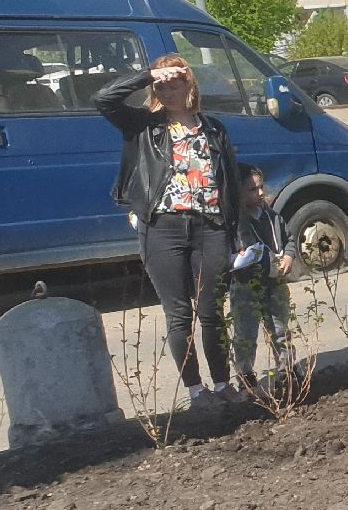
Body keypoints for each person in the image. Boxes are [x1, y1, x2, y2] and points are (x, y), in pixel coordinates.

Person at [98, 54, 248, 407]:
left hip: (210, 227)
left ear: (190, 84)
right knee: (179, 313)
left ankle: (224, 385)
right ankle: (197, 391)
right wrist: (147, 74)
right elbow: (103, 99)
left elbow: (230, 185)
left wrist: (236, 234)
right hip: (162, 228)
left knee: (212, 312)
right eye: (160, 86)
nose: (168, 91)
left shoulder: (213, 128)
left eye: (175, 83)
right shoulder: (143, 125)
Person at [227, 164, 297, 393]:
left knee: (279, 328)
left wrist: (288, 256)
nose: (258, 193)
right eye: (250, 189)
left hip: (274, 284)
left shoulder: (272, 217)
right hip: (247, 287)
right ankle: (246, 376)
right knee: (245, 334)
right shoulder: (235, 224)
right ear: (236, 192)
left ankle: (286, 371)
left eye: (260, 187)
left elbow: (289, 239)